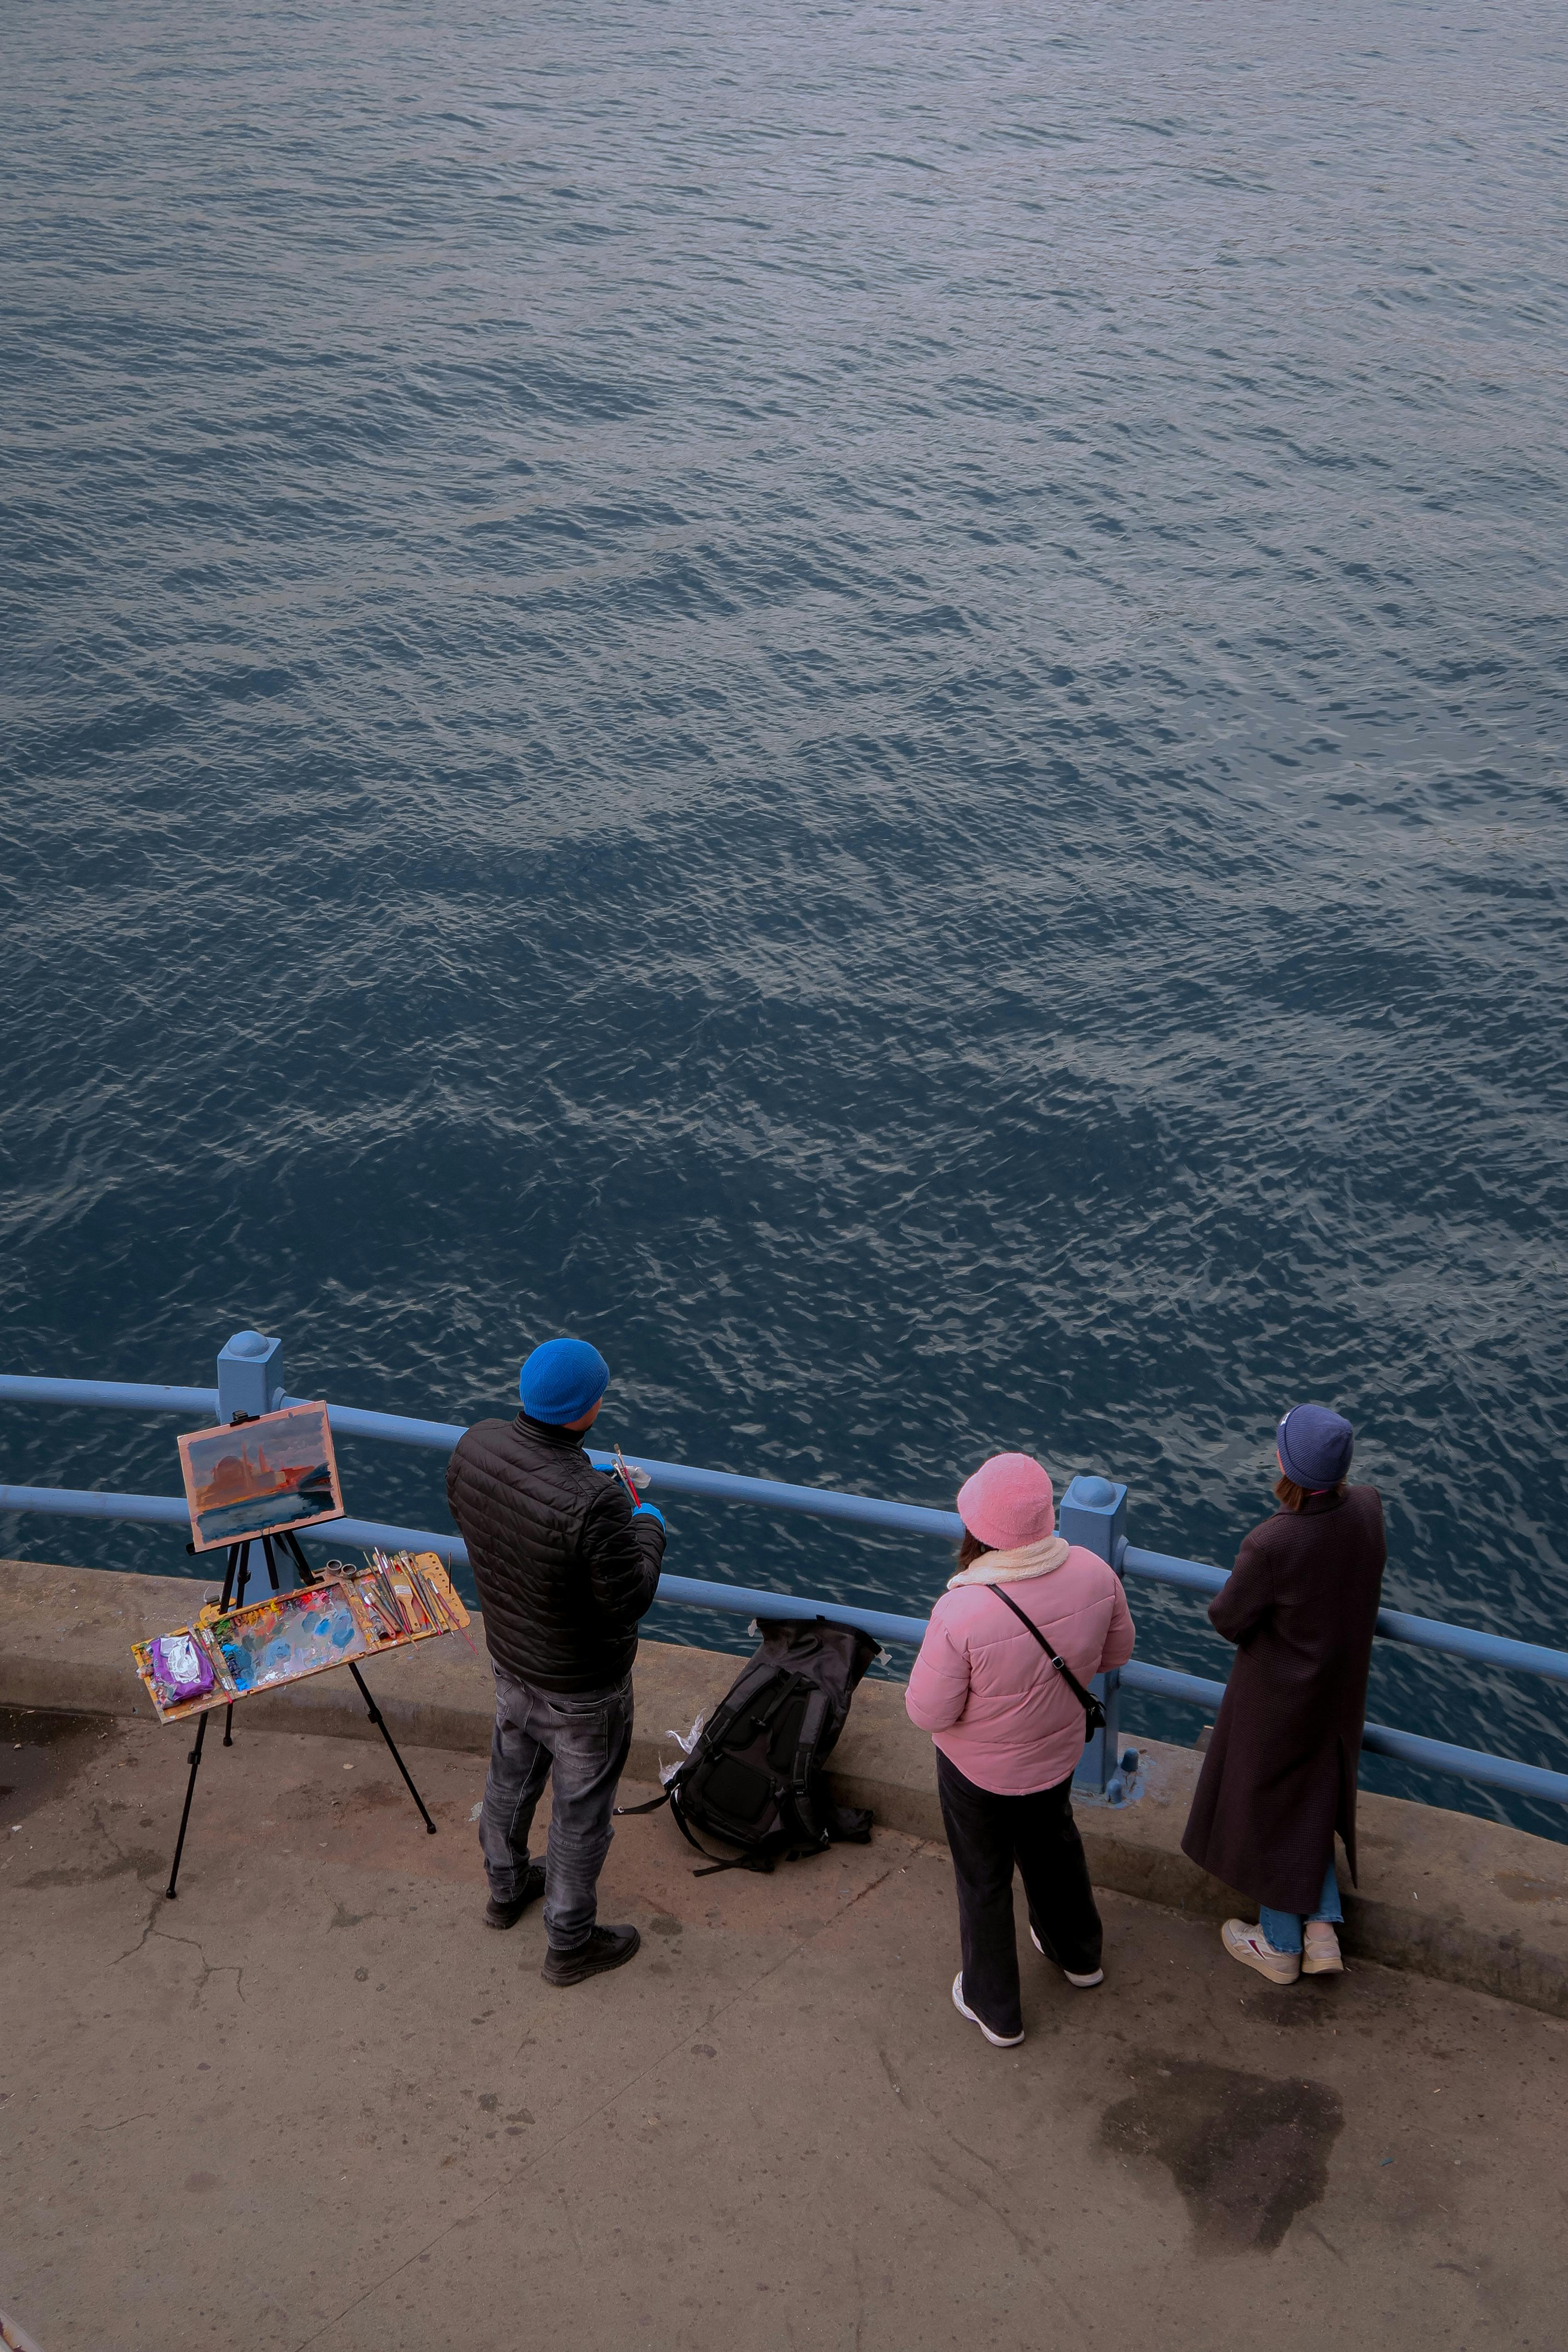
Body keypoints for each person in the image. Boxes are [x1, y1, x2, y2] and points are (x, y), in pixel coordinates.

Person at [445, 1335, 666, 1987]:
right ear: (585, 1408)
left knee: (509, 1778)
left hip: (511, 1658)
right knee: (580, 1813)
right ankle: (569, 1942)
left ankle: (505, 1888)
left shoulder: (474, 1445)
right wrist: (647, 1523)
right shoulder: (596, 1498)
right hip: (582, 1685)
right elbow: (630, 1599)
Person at [905, 1453, 1135, 2048]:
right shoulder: (1092, 1571)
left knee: (983, 1878)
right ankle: (1077, 1953)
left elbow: (927, 1712)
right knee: (1054, 1846)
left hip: (975, 1773)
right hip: (1055, 1753)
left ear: (976, 1527)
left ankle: (994, 2005)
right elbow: (1114, 1654)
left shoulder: (961, 1608)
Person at [1181, 1403, 1386, 1986]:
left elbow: (1226, 1617)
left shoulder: (1273, 1541)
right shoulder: (1368, 1508)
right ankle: (1321, 1928)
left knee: (1273, 1804)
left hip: (1278, 1700)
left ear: (1282, 1462)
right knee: (1311, 1794)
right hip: (1338, 1692)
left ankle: (1277, 1946)